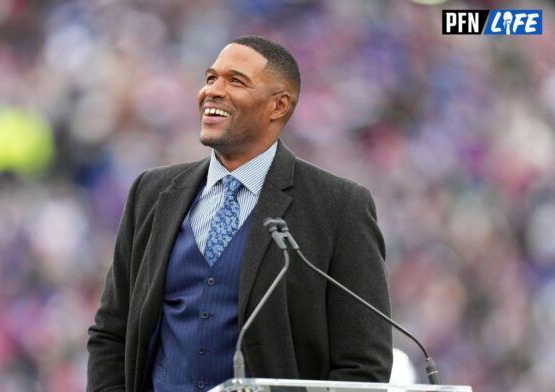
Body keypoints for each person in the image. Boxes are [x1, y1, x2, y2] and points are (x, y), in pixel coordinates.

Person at [87, 35, 392, 392]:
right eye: (211, 77)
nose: (213, 91)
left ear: (277, 106)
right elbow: (112, 331)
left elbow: (363, 365)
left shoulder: (339, 206)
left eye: (236, 81)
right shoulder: (152, 192)